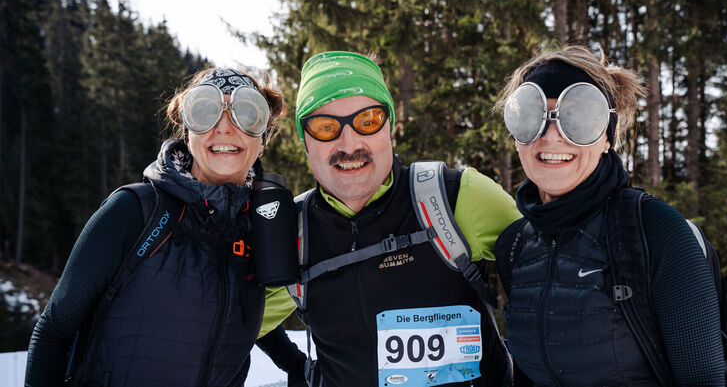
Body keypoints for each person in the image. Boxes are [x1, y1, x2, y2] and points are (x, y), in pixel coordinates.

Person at [256, 51, 522, 387]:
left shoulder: (455, 196)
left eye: (367, 120)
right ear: (305, 141)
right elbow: (236, 321)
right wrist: (296, 365)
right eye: (325, 128)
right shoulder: (294, 232)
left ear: (390, 128)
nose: (349, 143)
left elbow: (552, 282)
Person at [25, 68, 298, 386]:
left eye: (246, 113)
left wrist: (295, 363)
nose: (224, 128)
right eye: (205, 111)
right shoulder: (134, 212)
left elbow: (234, 311)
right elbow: (54, 330)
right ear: (188, 133)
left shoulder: (262, 230)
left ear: (261, 140)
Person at [493, 46, 724, 386]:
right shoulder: (515, 247)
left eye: (579, 118)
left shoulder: (656, 232)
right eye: (530, 114)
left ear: (607, 137)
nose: (552, 135)